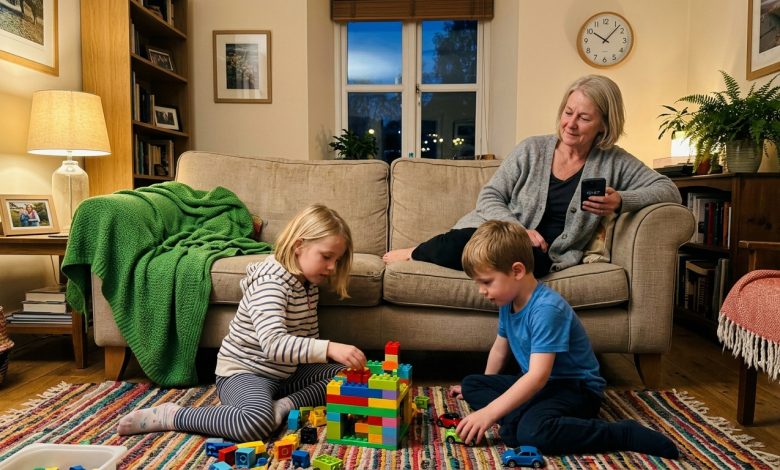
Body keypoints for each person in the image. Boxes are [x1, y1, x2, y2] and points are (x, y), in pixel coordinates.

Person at [383, 75, 681, 278]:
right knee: (473, 241)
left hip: (543, 256)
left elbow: (668, 190)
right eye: (568, 112)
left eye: (584, 118)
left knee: (524, 262)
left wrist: (621, 201)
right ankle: (420, 252)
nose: (571, 124)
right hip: (497, 235)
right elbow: (490, 196)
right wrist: (517, 230)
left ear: (604, 125)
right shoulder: (532, 149)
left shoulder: (614, 161)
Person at [117, 204, 367, 442]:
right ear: (299, 246)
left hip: (286, 374)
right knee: (255, 422)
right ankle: (173, 415)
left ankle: (283, 406)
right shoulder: (271, 283)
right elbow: (274, 346)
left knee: (352, 377)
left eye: (337, 260)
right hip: (245, 373)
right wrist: (330, 348)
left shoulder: (308, 285)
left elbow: (302, 345)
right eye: (326, 257)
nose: (333, 267)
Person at [448, 220, 679, 458]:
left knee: (533, 434)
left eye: (486, 282)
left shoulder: (546, 309)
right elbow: (500, 349)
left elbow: (538, 377)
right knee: (472, 384)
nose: (481, 291)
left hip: (575, 389)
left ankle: (621, 433)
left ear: (516, 271)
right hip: (540, 385)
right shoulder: (508, 300)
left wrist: (490, 412)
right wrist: (488, 389)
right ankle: (519, 414)